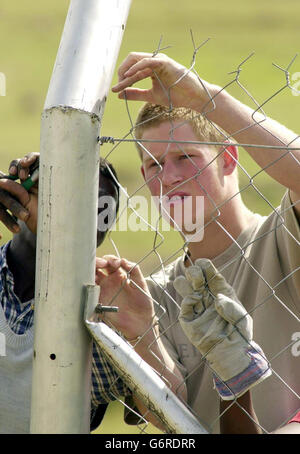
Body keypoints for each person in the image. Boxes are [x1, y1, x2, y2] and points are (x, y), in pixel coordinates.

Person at [93, 51, 300, 433]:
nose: (169, 177)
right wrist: (143, 335)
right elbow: (172, 417)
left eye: (185, 157)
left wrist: (206, 99)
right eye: (155, 165)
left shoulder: (283, 237)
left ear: (228, 159)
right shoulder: (151, 294)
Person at [0, 152, 131, 434]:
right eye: (77, 199)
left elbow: (160, 407)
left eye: (104, 212)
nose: (91, 223)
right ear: (23, 194)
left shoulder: (99, 320)